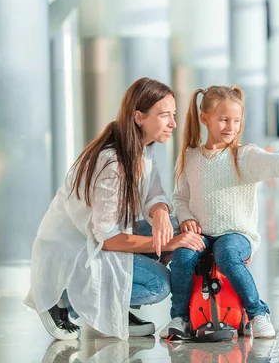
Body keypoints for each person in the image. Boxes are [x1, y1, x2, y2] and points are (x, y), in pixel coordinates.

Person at [24, 77, 205, 340]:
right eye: (165, 115)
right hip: (77, 253)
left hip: (101, 240)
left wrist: (161, 213)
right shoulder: (112, 163)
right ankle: (63, 297)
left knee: (176, 226)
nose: (173, 124)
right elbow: (107, 239)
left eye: (173, 115)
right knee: (158, 284)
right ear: (139, 118)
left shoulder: (143, 148)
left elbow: (154, 193)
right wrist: (169, 244)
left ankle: (113, 302)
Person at [158, 85, 279, 339]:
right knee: (182, 257)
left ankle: (257, 313)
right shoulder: (190, 157)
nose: (230, 127)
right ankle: (179, 318)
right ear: (204, 119)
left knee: (227, 254)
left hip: (236, 234)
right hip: (201, 233)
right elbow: (180, 197)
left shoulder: (244, 156)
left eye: (236, 121)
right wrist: (186, 217)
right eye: (223, 119)